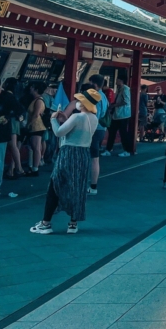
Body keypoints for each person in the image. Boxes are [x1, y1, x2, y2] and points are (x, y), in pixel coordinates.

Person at [30, 91, 99, 235]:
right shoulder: (93, 118)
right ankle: (73, 224)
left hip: (68, 153)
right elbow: (77, 131)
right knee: (77, 188)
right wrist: (65, 118)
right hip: (83, 154)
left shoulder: (77, 116)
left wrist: (53, 119)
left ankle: (46, 223)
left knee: (55, 185)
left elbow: (59, 132)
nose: (76, 102)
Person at [86, 75, 109, 195]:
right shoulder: (104, 96)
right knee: (94, 157)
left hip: (94, 129)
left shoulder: (96, 97)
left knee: (93, 158)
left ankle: (93, 186)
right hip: (101, 129)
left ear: (94, 84)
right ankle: (92, 185)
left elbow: (96, 115)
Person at [105, 75, 133, 157]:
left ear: (121, 80)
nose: (116, 81)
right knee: (112, 132)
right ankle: (108, 149)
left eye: (117, 79)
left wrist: (114, 105)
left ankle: (127, 150)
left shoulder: (125, 89)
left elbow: (126, 101)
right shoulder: (120, 89)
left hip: (123, 114)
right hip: (117, 114)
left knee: (123, 133)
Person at [24, 82, 48, 176]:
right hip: (36, 126)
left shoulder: (38, 101)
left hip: (37, 126)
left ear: (36, 90)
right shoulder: (37, 100)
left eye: (32, 88)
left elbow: (36, 114)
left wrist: (28, 124)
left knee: (36, 147)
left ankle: (35, 168)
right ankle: (34, 167)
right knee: (35, 147)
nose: (31, 89)